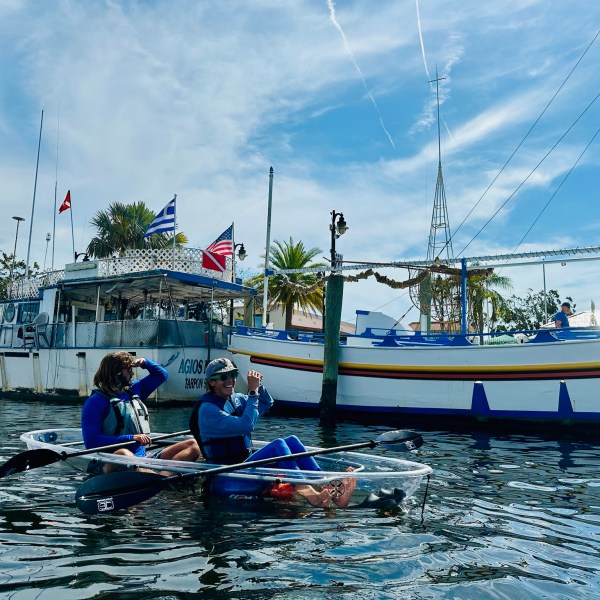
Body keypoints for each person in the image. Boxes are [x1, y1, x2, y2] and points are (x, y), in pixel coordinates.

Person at [189, 357, 355, 508]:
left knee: (292, 440)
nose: (230, 380)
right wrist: (252, 392)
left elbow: (266, 402)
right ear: (212, 382)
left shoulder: (235, 399)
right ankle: (313, 497)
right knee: (278, 446)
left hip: (244, 468)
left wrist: (258, 385)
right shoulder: (208, 410)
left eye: (233, 375)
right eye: (224, 377)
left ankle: (332, 489)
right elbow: (247, 425)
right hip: (224, 478)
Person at [82, 351, 199, 471]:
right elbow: (92, 442)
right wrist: (131, 438)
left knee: (193, 445)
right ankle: (156, 478)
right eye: (128, 370)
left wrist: (144, 362)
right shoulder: (95, 402)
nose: (132, 373)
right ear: (117, 373)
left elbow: (161, 375)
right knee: (124, 454)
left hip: (143, 459)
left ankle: (162, 477)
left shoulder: (134, 389)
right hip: (110, 460)